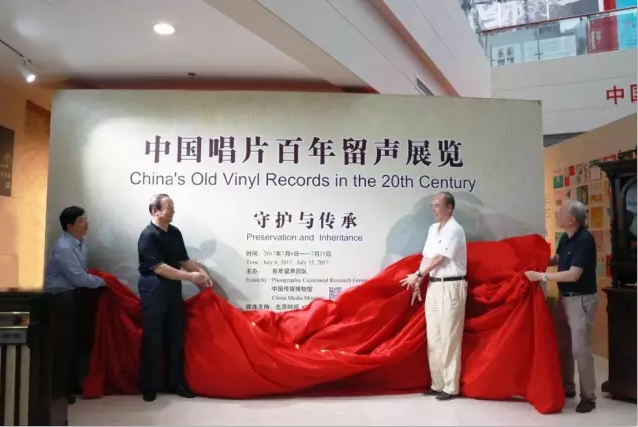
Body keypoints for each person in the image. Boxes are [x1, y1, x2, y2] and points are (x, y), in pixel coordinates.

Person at [137, 194, 213, 402]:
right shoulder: (147, 235)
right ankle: (150, 386)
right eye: (168, 208)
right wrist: (190, 277)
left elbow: (184, 260)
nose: (172, 212)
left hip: (172, 287)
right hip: (153, 287)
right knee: (153, 337)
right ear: (155, 211)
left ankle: (176, 382)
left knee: (175, 334)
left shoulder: (174, 232)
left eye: (173, 208)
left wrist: (201, 273)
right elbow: (160, 268)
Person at [525, 199, 597, 414]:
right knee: (564, 345)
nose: (557, 214)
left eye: (561, 212)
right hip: (565, 297)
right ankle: (567, 387)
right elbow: (558, 259)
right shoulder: (566, 238)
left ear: (572, 219)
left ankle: (588, 397)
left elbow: (574, 274)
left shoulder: (585, 240)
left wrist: (541, 276)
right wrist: (536, 261)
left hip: (580, 299)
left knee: (580, 349)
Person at [401, 192, 468, 401]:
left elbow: (440, 258)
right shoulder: (433, 229)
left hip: (451, 286)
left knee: (449, 337)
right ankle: (437, 383)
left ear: (449, 208)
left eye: (437, 205)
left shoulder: (454, 229)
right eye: (432, 205)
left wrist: (418, 274)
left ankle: (451, 386)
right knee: (434, 337)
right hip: (434, 286)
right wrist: (418, 281)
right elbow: (428, 257)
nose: (434, 209)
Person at [44, 206, 106, 404]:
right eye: (81, 220)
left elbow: (83, 272)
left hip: (75, 295)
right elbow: (78, 277)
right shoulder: (63, 247)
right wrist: (106, 282)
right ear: (69, 226)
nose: (86, 223)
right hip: (61, 298)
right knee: (64, 343)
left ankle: (74, 382)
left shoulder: (81, 242)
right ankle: (60, 389)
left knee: (77, 341)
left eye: (85, 219)